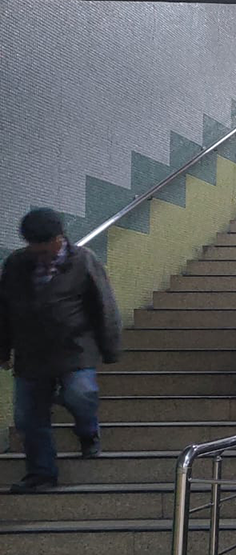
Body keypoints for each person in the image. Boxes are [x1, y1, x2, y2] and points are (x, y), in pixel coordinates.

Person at [0, 208, 121, 493]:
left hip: (75, 349)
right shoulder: (16, 264)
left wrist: (110, 348)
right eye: (34, 248)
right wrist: (3, 348)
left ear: (59, 238)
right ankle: (41, 473)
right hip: (31, 354)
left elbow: (104, 306)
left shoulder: (84, 261)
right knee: (28, 417)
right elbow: (3, 310)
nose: (40, 255)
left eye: (45, 248)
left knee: (81, 394)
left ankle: (88, 431)